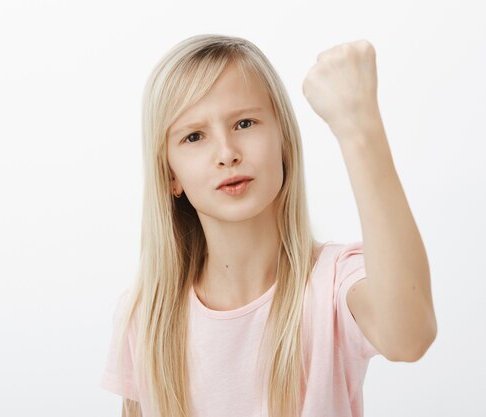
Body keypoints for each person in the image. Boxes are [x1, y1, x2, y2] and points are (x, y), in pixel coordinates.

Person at [99, 34, 437, 417]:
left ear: (284, 142)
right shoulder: (147, 315)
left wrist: (359, 126)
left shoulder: (334, 285)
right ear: (170, 176)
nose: (227, 154)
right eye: (194, 136)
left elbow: (410, 337)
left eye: (244, 123)